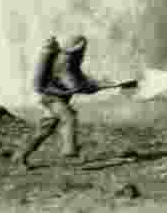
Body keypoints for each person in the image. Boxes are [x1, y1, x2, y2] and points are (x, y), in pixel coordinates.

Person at [14, 35, 105, 170]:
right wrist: (91, 88)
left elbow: (80, 77)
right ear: (77, 49)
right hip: (52, 98)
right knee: (69, 117)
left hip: (57, 98)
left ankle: (19, 156)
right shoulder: (64, 61)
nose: (84, 51)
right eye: (82, 49)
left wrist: (96, 84)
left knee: (44, 130)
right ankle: (69, 151)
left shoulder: (72, 60)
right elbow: (73, 84)